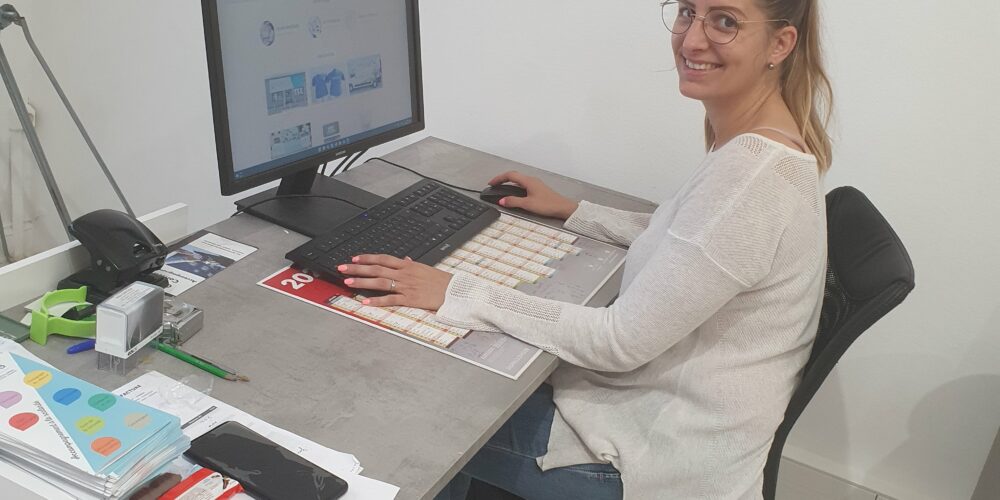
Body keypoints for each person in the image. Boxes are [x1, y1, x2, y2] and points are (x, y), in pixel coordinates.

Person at [339, 0, 832, 497]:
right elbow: (684, 235)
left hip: (650, 462)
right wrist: (574, 211)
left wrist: (458, 290)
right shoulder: (764, 146)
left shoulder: (751, 178)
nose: (692, 39)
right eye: (688, 11)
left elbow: (617, 341)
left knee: (415, 405)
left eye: (725, 21)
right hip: (669, 425)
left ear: (780, 44)